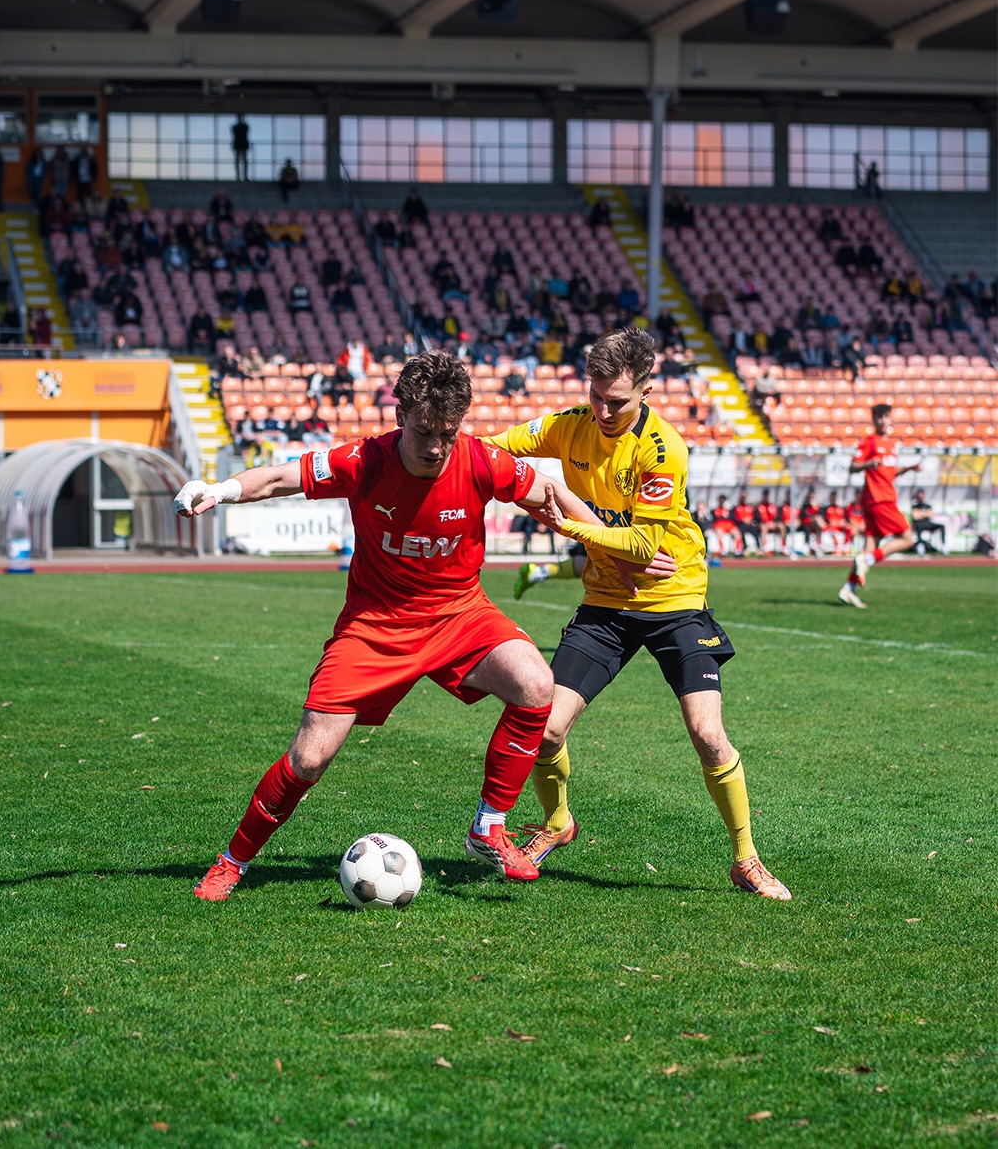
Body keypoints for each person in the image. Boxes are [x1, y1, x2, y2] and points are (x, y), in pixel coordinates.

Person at [175, 351, 661, 901]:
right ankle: (232, 862)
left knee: (535, 683)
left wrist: (617, 550)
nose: (435, 447)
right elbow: (279, 477)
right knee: (309, 756)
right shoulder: (364, 460)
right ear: (400, 414)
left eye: (447, 434)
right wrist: (220, 491)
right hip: (375, 625)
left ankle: (489, 826)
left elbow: (554, 494)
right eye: (424, 432)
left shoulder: (480, 460)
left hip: (459, 614)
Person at [494, 327, 791, 900]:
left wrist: (566, 522)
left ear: (646, 391)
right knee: (546, 727)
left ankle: (746, 858)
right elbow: (491, 447)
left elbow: (640, 547)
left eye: (617, 401)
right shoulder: (568, 425)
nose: (603, 411)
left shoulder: (663, 450)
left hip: (674, 600)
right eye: (596, 395)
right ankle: (557, 823)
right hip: (606, 603)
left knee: (708, 735)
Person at [839, 404, 922, 609]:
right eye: (879, 417)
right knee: (907, 538)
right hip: (880, 499)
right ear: (874, 421)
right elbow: (852, 466)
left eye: (886, 417)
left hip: (877, 499)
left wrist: (910, 468)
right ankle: (868, 560)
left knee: (871, 544)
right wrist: (867, 464)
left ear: (891, 419)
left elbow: (890, 471)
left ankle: (849, 588)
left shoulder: (892, 444)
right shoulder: (869, 442)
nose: (883, 421)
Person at [910, 490, 945, 554]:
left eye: (922, 495)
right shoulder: (915, 506)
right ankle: (920, 545)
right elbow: (915, 516)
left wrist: (921, 513)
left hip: (928, 523)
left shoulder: (928, 506)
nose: (921, 497)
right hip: (919, 525)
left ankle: (943, 546)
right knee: (918, 526)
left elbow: (932, 514)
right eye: (919, 495)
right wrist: (926, 513)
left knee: (942, 526)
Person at [231, 117, 250, 181]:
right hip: (241, 145)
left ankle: (240, 176)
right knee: (242, 161)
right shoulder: (244, 127)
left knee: (240, 161)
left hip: (240, 145)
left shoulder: (236, 127)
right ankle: (241, 176)